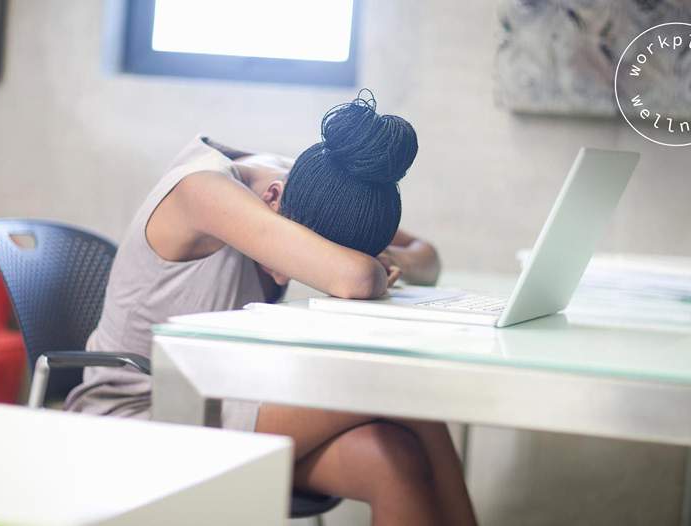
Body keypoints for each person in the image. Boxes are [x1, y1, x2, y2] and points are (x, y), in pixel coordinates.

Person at [66, 91, 477, 526]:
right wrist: (360, 266)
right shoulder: (201, 188)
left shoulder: (313, 184)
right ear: (273, 198)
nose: (282, 279)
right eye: (288, 259)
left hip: (229, 400)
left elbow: (426, 257)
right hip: (142, 416)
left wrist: (391, 261)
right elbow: (355, 278)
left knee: (392, 458)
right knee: (401, 390)